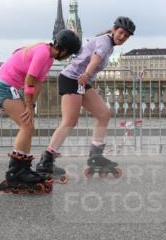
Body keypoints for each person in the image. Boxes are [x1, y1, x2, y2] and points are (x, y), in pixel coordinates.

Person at [37, 16, 135, 180]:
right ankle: (46, 160)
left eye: (126, 36)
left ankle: (95, 156)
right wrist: (88, 74)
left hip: (81, 80)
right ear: (114, 29)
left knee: (104, 114)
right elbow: (95, 59)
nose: (122, 37)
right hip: (72, 78)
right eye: (121, 32)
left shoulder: (108, 43)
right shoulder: (104, 42)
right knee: (69, 121)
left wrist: (86, 76)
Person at [0, 29, 82, 194]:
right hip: (3, 86)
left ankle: (21, 169)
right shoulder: (42, 53)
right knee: (27, 126)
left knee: (28, 126)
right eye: (69, 55)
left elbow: (38, 83)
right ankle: (16, 172)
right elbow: (29, 80)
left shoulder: (48, 57)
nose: (68, 58)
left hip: (8, 86)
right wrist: (27, 106)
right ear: (64, 50)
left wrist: (32, 106)